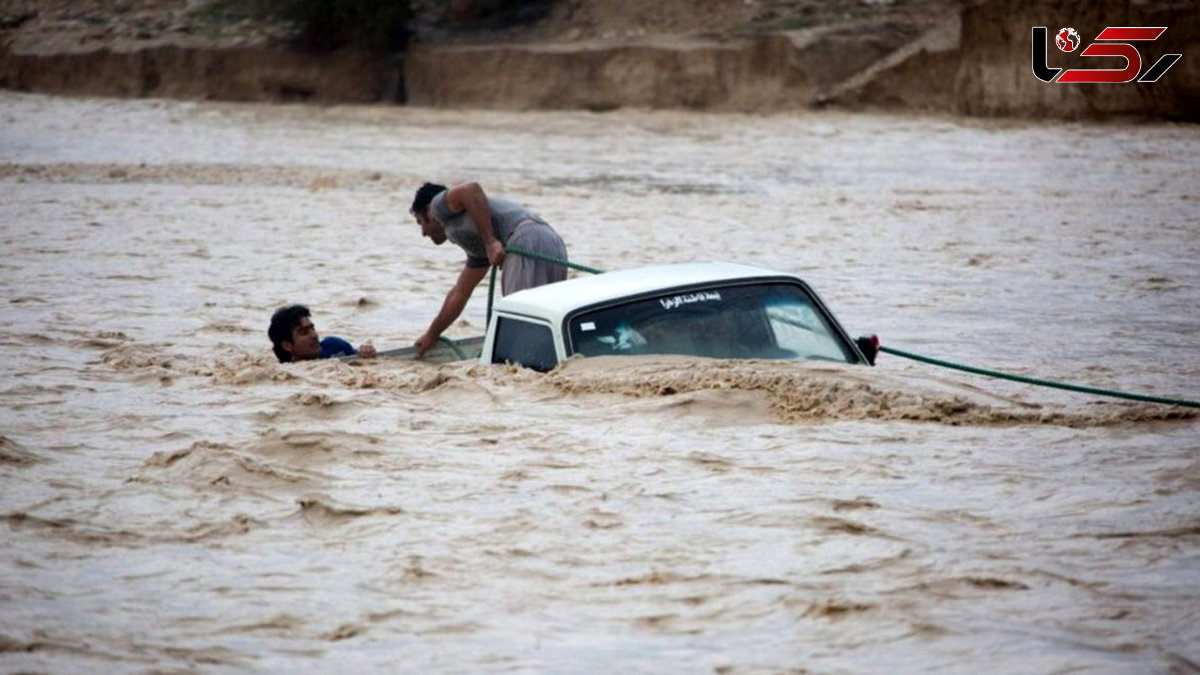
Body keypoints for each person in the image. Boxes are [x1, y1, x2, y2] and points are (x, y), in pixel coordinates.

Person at [409, 181, 568, 357]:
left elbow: (471, 189)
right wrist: (432, 334)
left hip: (525, 239)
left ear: (428, 212)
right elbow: (460, 293)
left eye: (420, 222)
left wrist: (490, 241)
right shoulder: (476, 247)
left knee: (520, 320)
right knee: (546, 320)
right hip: (552, 243)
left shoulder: (439, 206)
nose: (423, 233)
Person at [268, 304, 376, 363]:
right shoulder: (285, 375)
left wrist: (366, 355)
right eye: (304, 332)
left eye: (312, 328)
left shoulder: (335, 346)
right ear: (287, 345)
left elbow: (357, 356)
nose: (314, 335)